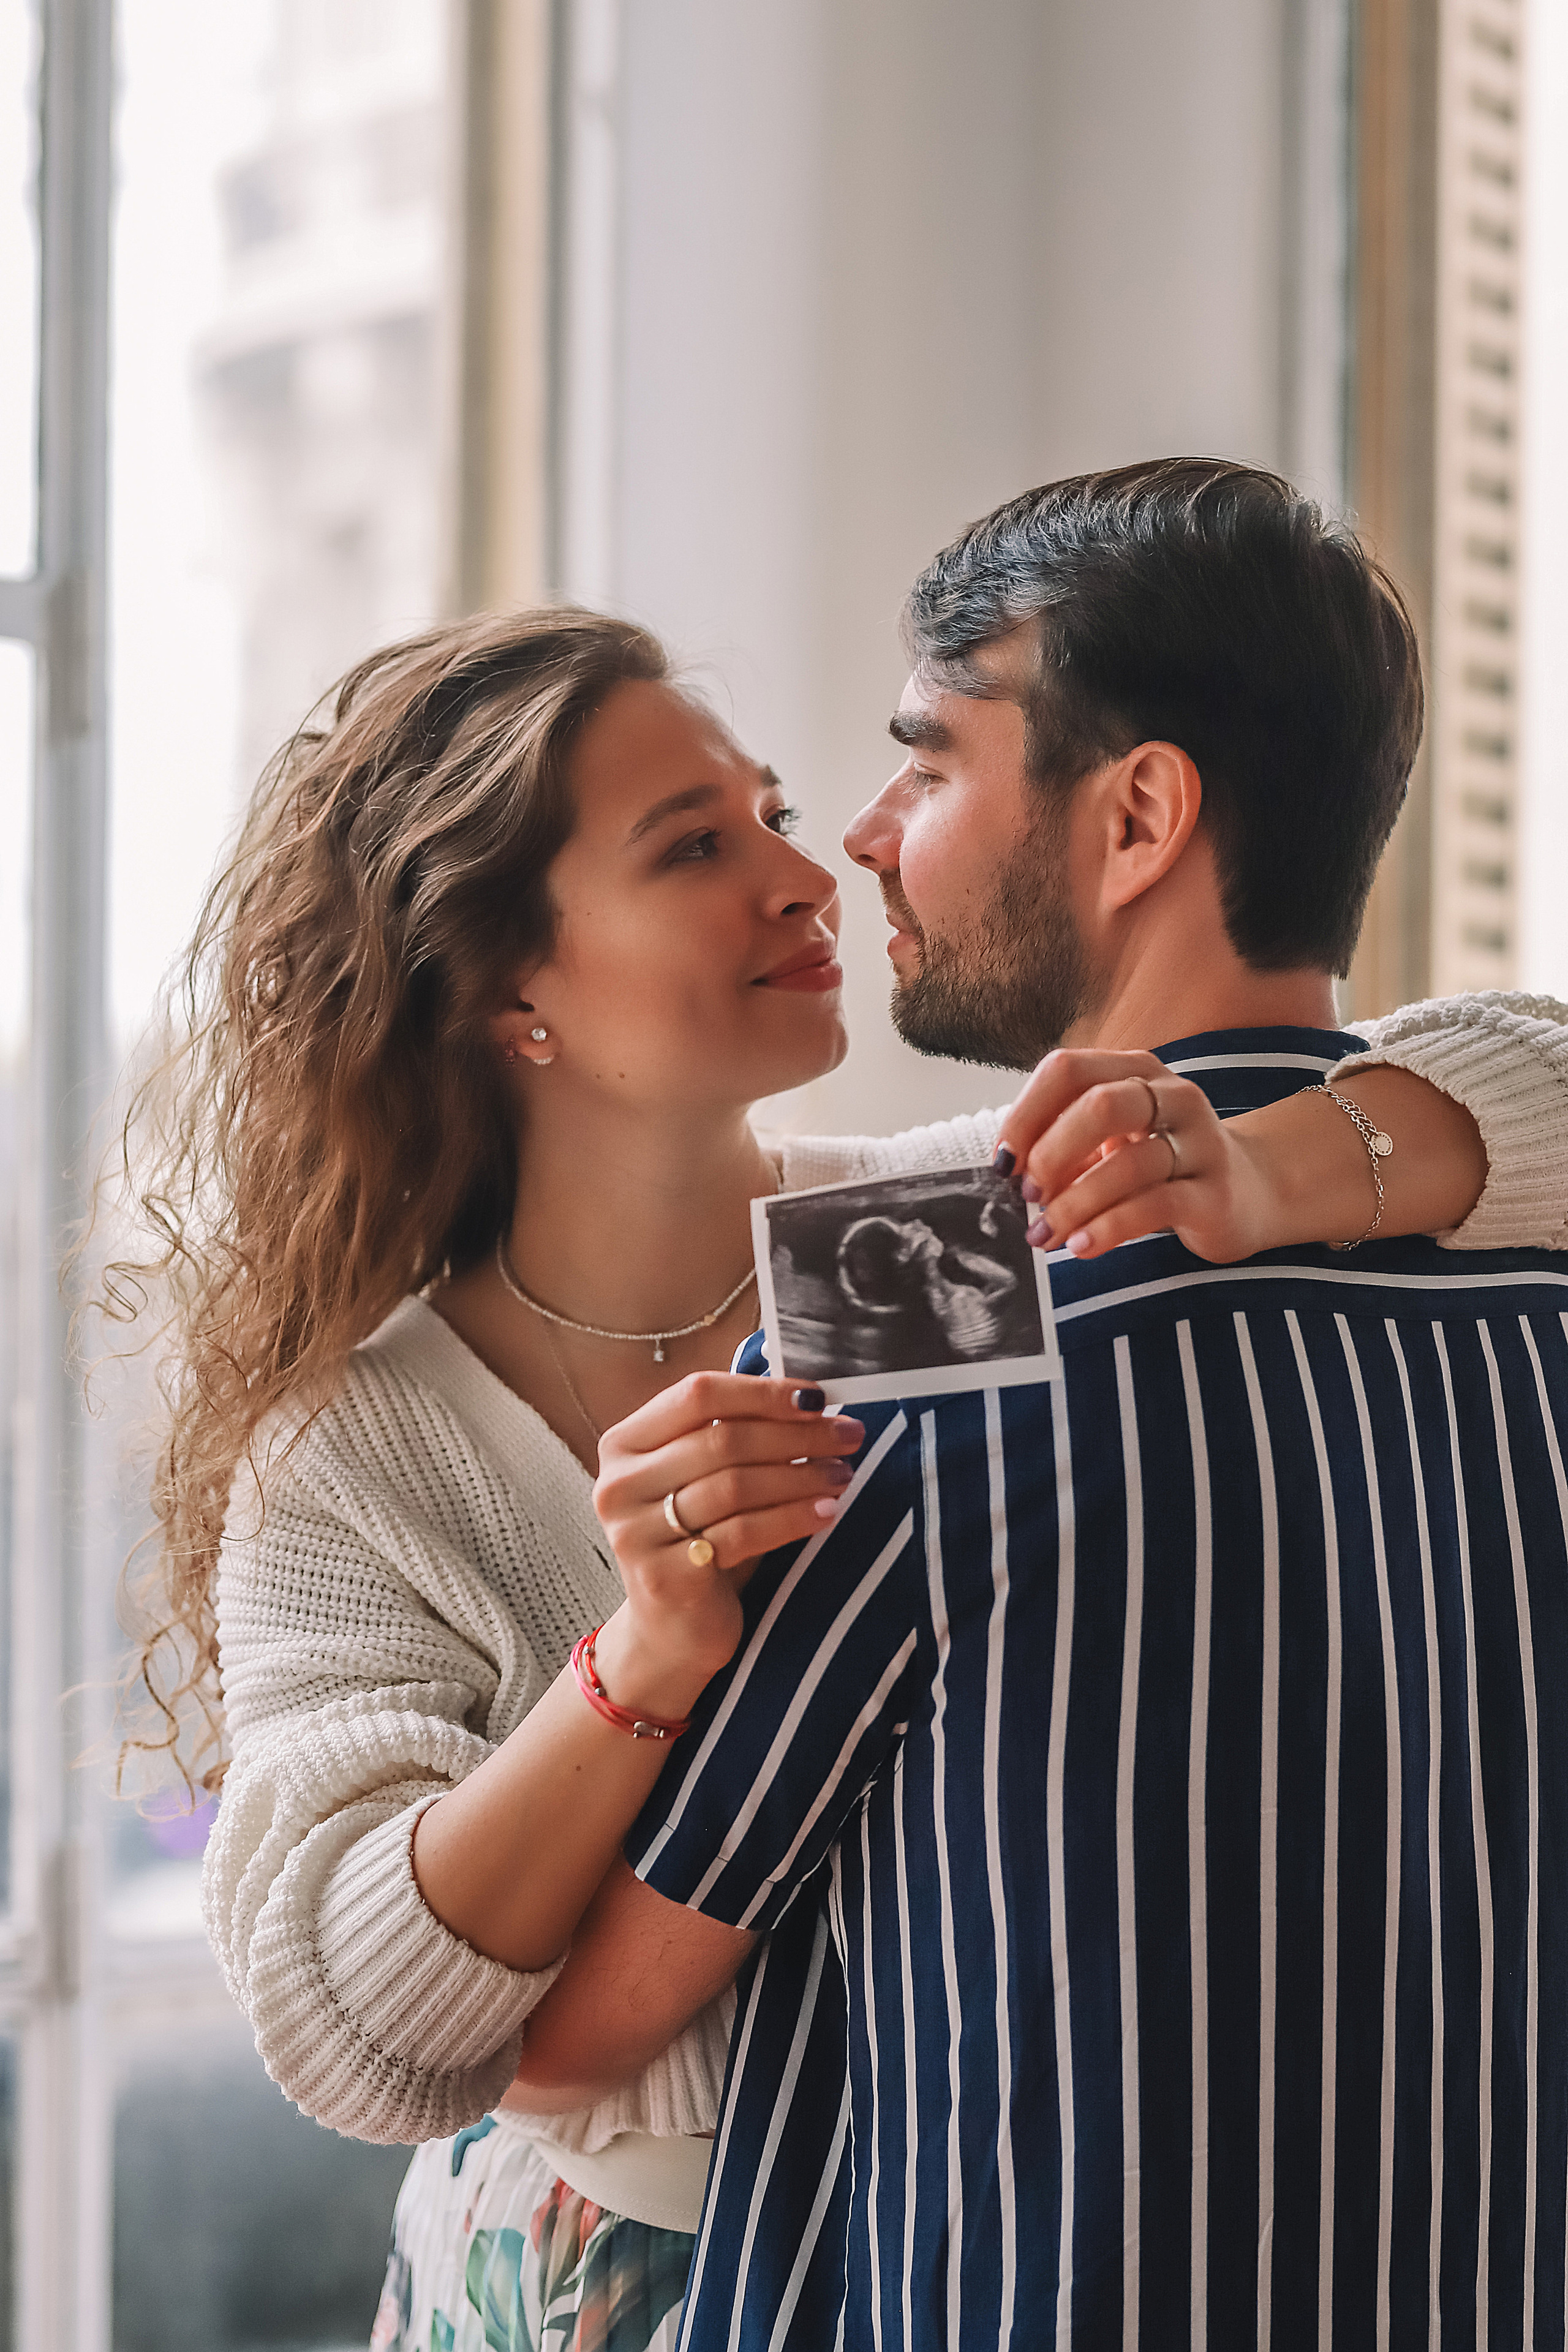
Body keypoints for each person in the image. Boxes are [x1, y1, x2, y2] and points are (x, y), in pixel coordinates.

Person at [109, 537, 1564, 2351]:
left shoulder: (944, 1236)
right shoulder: (362, 1445)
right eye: (696, 846)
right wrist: (632, 1663)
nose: (813, 875)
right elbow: (351, 2023)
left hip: (896, 2232)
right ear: (505, 991)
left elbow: (1519, 1065)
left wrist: (1281, 1166)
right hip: (572, 2271)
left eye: (777, 812)